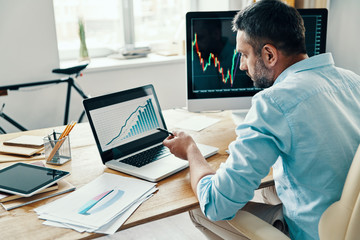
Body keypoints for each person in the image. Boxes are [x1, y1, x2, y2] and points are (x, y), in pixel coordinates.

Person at [162, 0, 360, 239]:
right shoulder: (352, 80)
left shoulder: (274, 102)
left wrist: (192, 150)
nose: (242, 65)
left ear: (269, 54)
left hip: (316, 233)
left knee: (200, 209)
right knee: (269, 190)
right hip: (349, 221)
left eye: (244, 55)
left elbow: (217, 204)